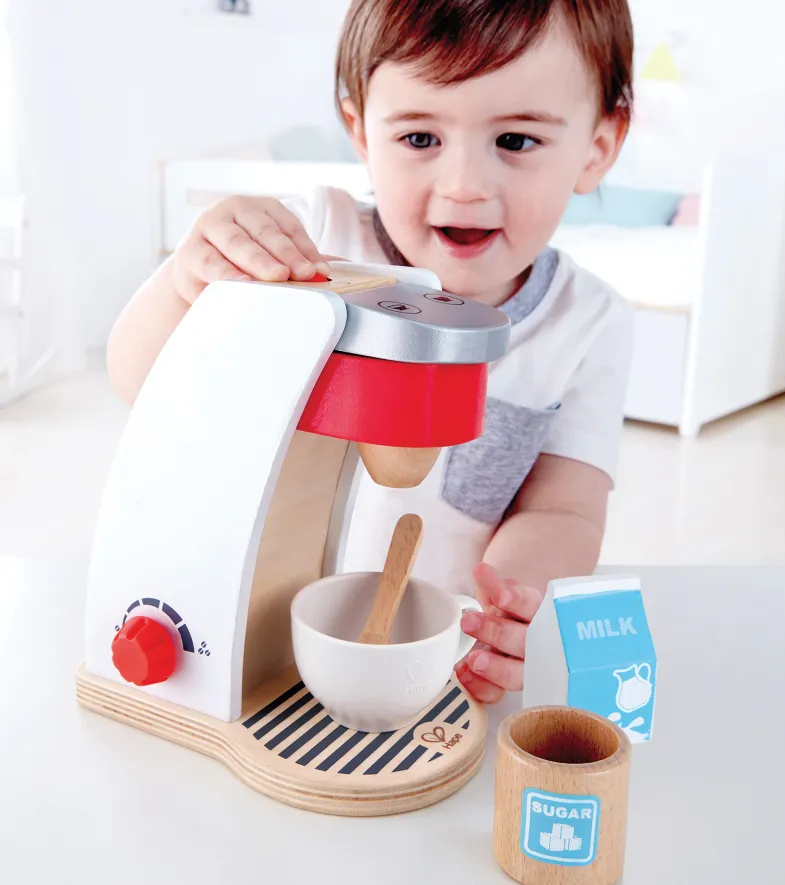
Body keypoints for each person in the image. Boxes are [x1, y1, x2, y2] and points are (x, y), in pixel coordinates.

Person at [107, 0, 635, 709]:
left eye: (515, 141)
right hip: (260, 634)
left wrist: (510, 604)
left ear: (598, 146)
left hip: (433, 663)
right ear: (360, 130)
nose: (464, 185)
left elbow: (565, 508)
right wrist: (186, 278)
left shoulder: (590, 323)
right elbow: (138, 377)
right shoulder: (308, 247)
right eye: (420, 137)